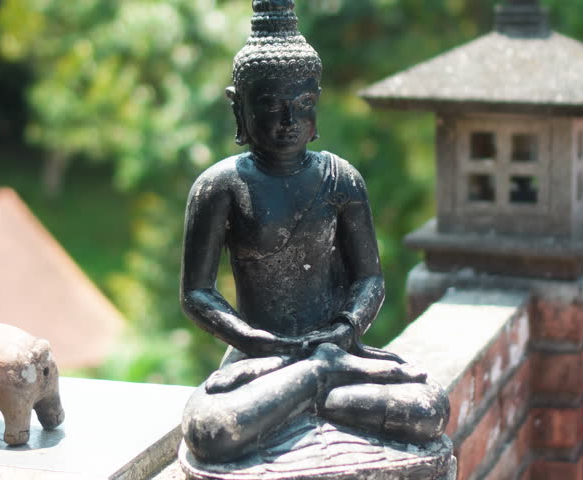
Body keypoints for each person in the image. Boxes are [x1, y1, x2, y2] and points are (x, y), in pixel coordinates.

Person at [179, 0, 448, 463]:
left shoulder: (341, 179)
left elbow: (370, 279)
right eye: (270, 106)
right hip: (261, 363)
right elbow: (197, 293)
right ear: (237, 107)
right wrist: (252, 340)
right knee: (211, 431)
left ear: (316, 106)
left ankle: (316, 381)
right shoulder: (220, 186)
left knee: (428, 408)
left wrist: (344, 330)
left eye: (302, 105)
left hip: (335, 348)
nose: (288, 121)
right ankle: (316, 381)